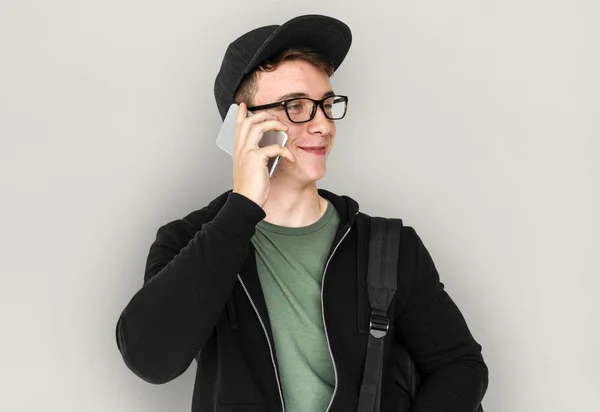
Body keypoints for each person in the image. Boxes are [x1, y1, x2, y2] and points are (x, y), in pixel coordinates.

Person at [115, 14, 488, 412]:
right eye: (296, 106)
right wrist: (241, 208)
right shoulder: (189, 242)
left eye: (327, 105)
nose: (323, 124)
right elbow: (150, 359)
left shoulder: (389, 247)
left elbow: (461, 366)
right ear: (241, 125)